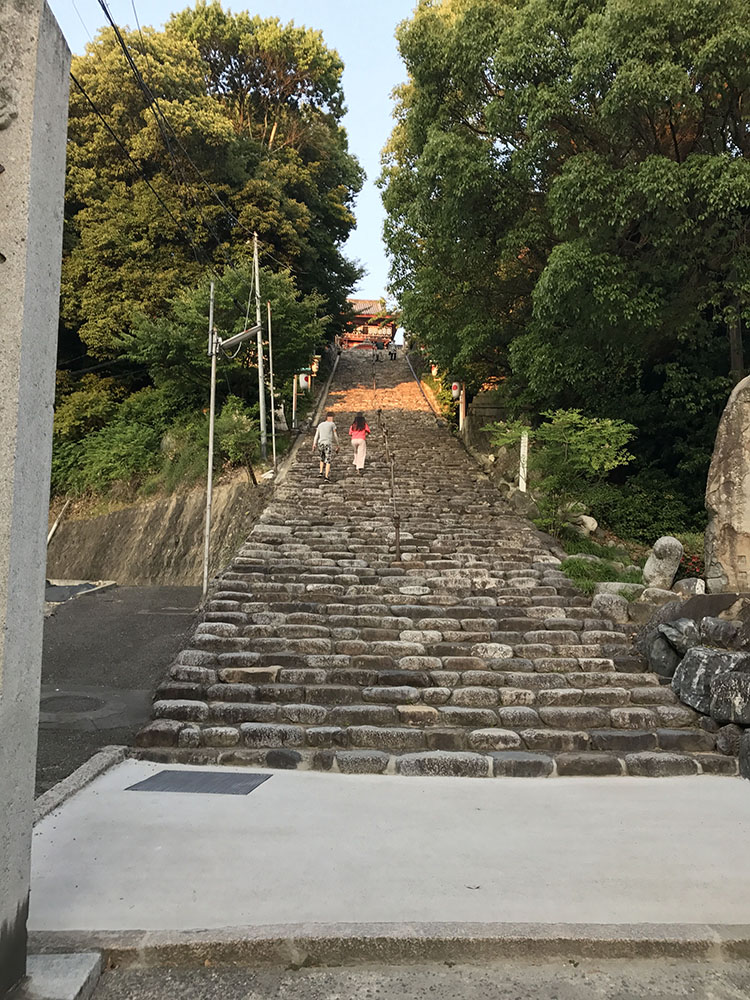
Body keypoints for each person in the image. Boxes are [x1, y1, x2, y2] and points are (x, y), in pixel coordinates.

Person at [312, 411, 339, 482]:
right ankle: (326, 476)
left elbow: (316, 435)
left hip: (320, 443)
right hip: (327, 443)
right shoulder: (332, 424)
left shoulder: (320, 424)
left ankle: (321, 472)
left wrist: (314, 444)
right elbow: (335, 435)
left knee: (322, 458)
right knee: (328, 460)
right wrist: (337, 444)